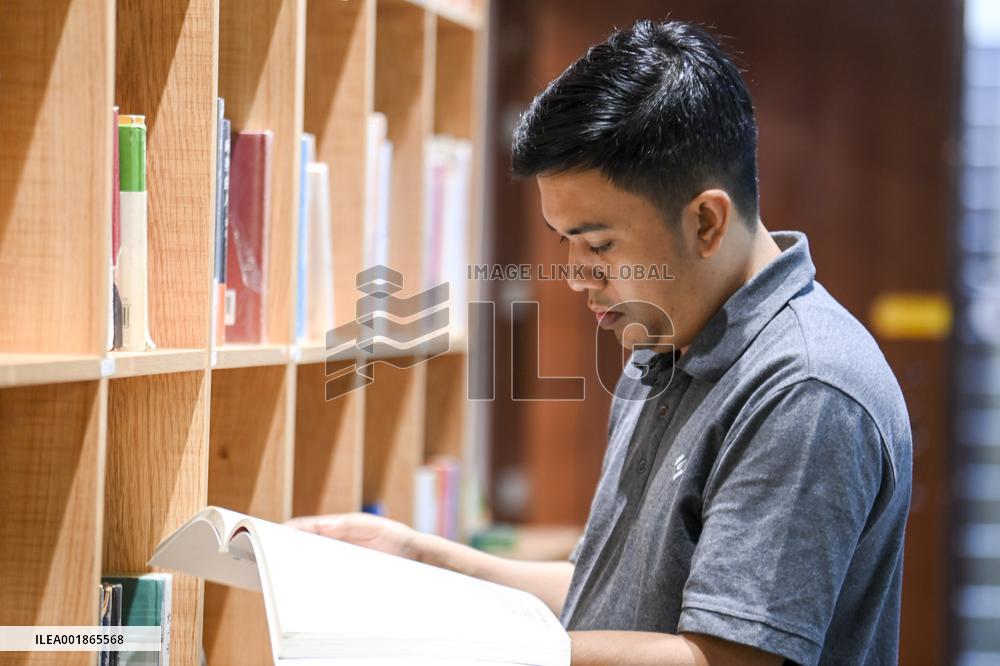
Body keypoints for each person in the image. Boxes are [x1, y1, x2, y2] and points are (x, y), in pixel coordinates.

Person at [288, 18, 912, 666]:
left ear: (705, 220)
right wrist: (422, 558)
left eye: (599, 245)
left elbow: (725, 659)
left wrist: (469, 649)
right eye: (565, 243)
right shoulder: (664, 344)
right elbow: (608, 600)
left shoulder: (805, 391)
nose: (576, 278)